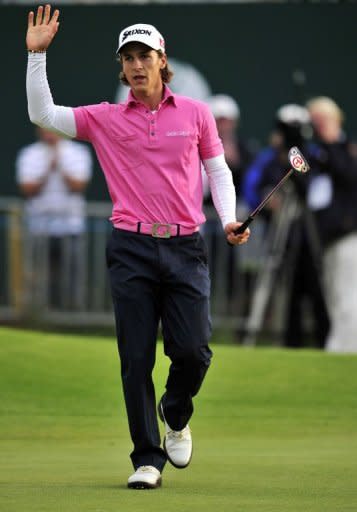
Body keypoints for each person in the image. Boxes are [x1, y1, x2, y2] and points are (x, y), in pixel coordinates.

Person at [25, 5, 250, 489]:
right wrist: (37, 57)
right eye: (127, 57)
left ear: (162, 59)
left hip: (186, 246)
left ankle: (176, 410)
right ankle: (147, 458)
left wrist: (228, 218)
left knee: (193, 351)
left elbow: (217, 171)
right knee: (135, 358)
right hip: (130, 246)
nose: (136, 65)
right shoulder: (104, 119)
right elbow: (41, 113)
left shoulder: (195, 113)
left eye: (144, 55)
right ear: (122, 67)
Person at [242, 104, 330, 348]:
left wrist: (298, 163)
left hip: (310, 238)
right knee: (288, 294)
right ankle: (287, 341)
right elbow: (252, 189)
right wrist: (266, 199)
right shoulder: (269, 159)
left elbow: (314, 187)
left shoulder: (313, 155)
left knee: (317, 291)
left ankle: (325, 340)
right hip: (281, 237)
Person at [15, 126, 92, 309]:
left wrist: (59, 164)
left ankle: (73, 314)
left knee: (72, 276)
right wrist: (47, 170)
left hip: (71, 226)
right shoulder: (29, 154)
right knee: (37, 275)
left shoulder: (78, 152)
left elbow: (78, 186)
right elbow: (27, 189)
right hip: (38, 227)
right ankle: (37, 314)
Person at [306, 96, 357, 353]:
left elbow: (348, 174)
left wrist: (331, 143)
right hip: (326, 237)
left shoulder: (346, 149)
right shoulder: (316, 153)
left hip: (348, 234)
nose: (319, 126)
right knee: (334, 296)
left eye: (323, 120)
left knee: (348, 294)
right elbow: (302, 178)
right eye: (315, 121)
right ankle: (342, 347)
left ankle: (343, 349)